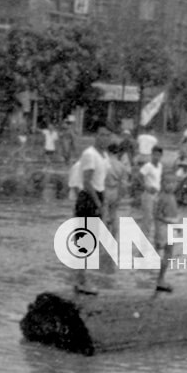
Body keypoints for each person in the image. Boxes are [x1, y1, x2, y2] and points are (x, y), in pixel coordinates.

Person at [74, 127, 111, 296]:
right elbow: (87, 182)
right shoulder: (90, 154)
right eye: (102, 134)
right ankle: (82, 281)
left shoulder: (104, 155)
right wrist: (98, 203)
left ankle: (82, 278)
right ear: (96, 136)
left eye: (108, 135)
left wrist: (105, 202)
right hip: (89, 198)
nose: (105, 138)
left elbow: (103, 181)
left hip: (99, 196)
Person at [154, 172, 180, 293]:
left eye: (173, 183)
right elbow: (157, 215)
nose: (171, 185)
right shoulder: (163, 197)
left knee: (168, 254)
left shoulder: (171, 196)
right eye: (168, 183)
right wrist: (172, 224)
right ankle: (160, 280)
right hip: (165, 227)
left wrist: (176, 225)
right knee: (167, 253)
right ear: (162, 184)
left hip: (170, 226)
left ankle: (161, 278)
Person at [104, 141, 131, 236]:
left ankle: (105, 238)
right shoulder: (121, 166)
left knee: (104, 215)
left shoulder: (104, 164)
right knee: (113, 215)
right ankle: (114, 236)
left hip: (105, 190)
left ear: (108, 152)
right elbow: (124, 184)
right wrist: (121, 196)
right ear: (117, 153)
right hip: (115, 191)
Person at [139, 145, 163, 239]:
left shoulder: (160, 166)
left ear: (161, 156)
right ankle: (144, 238)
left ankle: (153, 237)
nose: (156, 157)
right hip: (148, 194)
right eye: (154, 155)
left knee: (156, 217)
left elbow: (159, 179)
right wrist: (146, 187)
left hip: (157, 194)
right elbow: (139, 176)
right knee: (147, 218)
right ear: (151, 155)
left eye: (158, 155)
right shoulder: (147, 166)